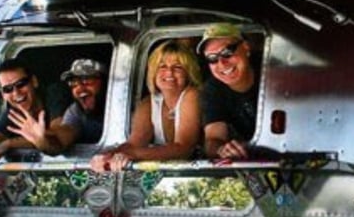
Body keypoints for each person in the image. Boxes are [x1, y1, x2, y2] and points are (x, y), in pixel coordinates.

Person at [90, 40, 201, 172]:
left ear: (189, 73)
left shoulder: (192, 95)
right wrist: (109, 155)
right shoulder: (148, 103)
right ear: (153, 72)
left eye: (177, 67)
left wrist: (133, 155)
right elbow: (134, 143)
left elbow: (184, 149)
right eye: (162, 66)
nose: (169, 73)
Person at [7, 58, 107, 155]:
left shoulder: (120, 107)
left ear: (106, 82)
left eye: (86, 80)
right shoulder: (76, 111)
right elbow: (62, 138)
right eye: (74, 83)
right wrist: (42, 141)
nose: (79, 88)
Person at [198, 23, 259, 160]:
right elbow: (213, 139)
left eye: (227, 52)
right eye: (212, 58)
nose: (221, 63)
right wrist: (222, 150)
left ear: (246, 48)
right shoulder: (211, 91)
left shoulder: (273, 71)